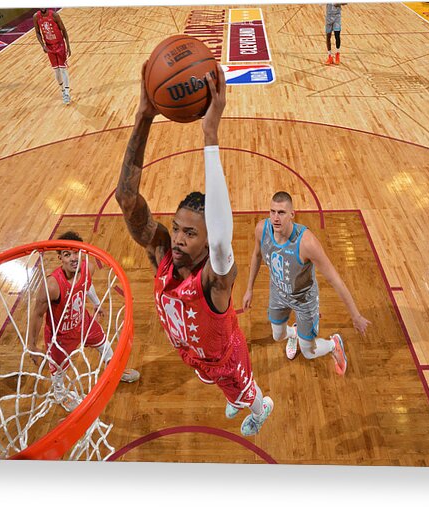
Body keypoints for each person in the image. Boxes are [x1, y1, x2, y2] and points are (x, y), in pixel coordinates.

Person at [115, 64, 274, 437]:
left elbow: (221, 240)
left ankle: (258, 406)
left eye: (190, 233)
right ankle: (235, 398)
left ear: (206, 241)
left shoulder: (216, 280)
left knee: (244, 393)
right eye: (175, 228)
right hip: (193, 354)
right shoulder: (163, 254)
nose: (178, 238)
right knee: (211, 379)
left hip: (224, 360)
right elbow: (126, 197)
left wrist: (210, 134)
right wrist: (143, 115)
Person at [242, 192, 370, 374]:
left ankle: (333, 345)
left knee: (309, 352)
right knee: (277, 336)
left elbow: (335, 280)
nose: (275, 218)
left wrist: (355, 316)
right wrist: (249, 289)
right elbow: (256, 255)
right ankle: (294, 333)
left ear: (292, 214)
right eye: (272, 212)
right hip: (278, 294)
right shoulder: (262, 230)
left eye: (281, 212)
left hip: (304, 300)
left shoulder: (307, 243)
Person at [28, 231, 140, 411]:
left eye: (76, 252)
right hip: (60, 335)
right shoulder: (52, 286)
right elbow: (37, 315)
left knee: (104, 344)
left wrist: (96, 303)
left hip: (83, 322)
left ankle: (116, 371)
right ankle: (60, 394)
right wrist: (32, 345)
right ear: (60, 258)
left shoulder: (88, 268)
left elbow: (87, 285)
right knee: (58, 370)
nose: (73, 258)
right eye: (67, 254)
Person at [33, 8, 72, 104]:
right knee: (56, 70)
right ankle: (62, 90)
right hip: (49, 46)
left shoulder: (54, 15)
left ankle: (67, 93)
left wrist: (68, 46)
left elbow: (64, 30)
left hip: (60, 44)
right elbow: (37, 32)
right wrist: (43, 45)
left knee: (63, 69)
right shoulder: (36, 17)